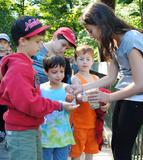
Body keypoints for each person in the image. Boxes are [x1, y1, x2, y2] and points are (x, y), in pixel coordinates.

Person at [67, 2, 143, 160]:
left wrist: (108, 97)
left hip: (138, 98)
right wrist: (81, 88)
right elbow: (110, 77)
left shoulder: (132, 39)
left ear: (101, 23)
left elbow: (141, 84)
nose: (89, 35)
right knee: (117, 146)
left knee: (122, 150)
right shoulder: (113, 43)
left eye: (90, 30)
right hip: (125, 95)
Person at [0, 16, 78, 160]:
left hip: (31, 127)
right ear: (22, 41)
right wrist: (59, 105)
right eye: (37, 41)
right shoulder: (18, 68)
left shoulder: (25, 64)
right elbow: (30, 103)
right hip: (21, 132)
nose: (41, 45)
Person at [69, 44, 108, 160]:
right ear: (75, 61)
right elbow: (78, 95)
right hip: (79, 122)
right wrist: (83, 96)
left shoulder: (96, 78)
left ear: (92, 61)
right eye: (81, 59)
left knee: (90, 151)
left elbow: (103, 95)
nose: (84, 62)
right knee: (76, 152)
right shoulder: (75, 78)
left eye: (88, 59)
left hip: (93, 121)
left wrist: (106, 103)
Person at [40, 55, 76, 160]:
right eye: (54, 72)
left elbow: (72, 106)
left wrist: (70, 102)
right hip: (45, 134)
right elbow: (38, 108)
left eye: (61, 71)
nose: (59, 75)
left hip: (63, 134)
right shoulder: (41, 89)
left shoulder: (67, 88)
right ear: (46, 72)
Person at [0, 33, 11, 143]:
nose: (2, 45)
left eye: (4, 43)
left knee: (4, 110)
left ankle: (3, 131)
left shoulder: (9, 59)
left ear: (8, 45)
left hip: (5, 90)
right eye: (0, 42)